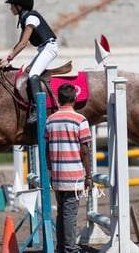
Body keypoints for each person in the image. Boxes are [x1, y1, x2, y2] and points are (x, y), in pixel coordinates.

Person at [44, 83, 92, 253]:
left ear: (58, 99)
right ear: (75, 98)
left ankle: (62, 246)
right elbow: (85, 151)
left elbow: (47, 151)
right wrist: (89, 176)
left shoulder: (50, 120)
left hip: (57, 175)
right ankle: (70, 249)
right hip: (74, 177)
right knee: (70, 215)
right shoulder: (81, 120)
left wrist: (50, 172)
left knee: (62, 213)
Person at [0, 0, 58, 124]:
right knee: (28, 73)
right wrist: (7, 58)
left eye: (12, 6)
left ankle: (39, 109)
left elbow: (23, 44)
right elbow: (19, 43)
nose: (10, 9)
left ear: (19, 6)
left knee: (33, 75)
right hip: (43, 49)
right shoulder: (24, 18)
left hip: (49, 49)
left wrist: (9, 58)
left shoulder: (31, 18)